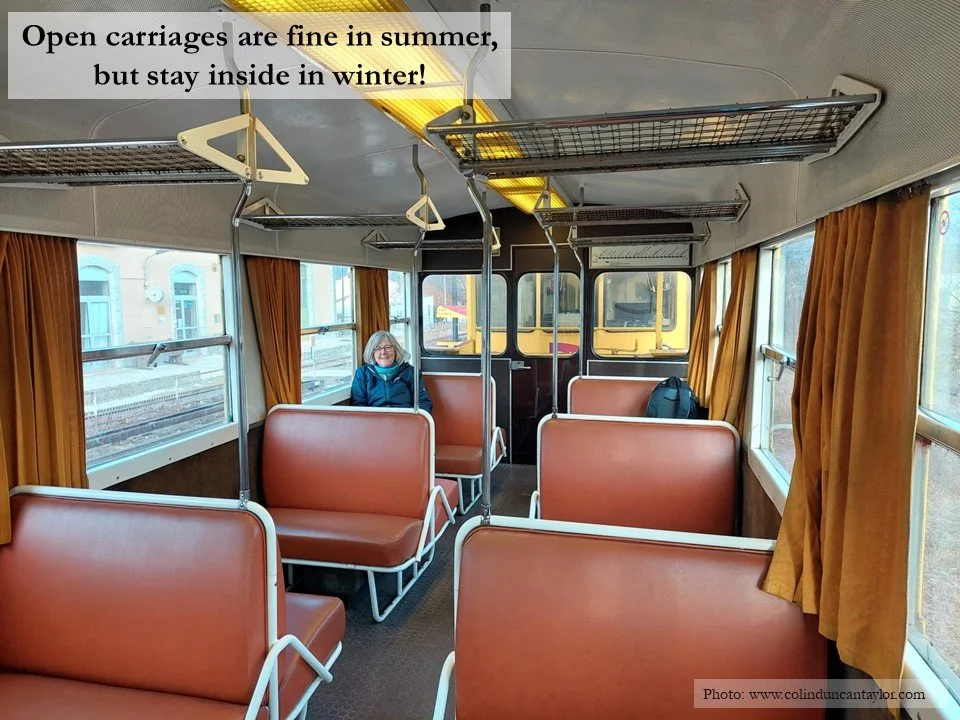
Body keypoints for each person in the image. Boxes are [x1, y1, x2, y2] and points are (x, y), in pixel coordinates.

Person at [351, 330, 432, 413]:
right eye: (378, 349)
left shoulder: (411, 372)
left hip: (405, 420)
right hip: (374, 421)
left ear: (395, 349)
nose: (383, 352)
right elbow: (358, 405)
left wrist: (415, 421)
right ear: (372, 353)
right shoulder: (362, 373)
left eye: (388, 347)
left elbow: (423, 402)